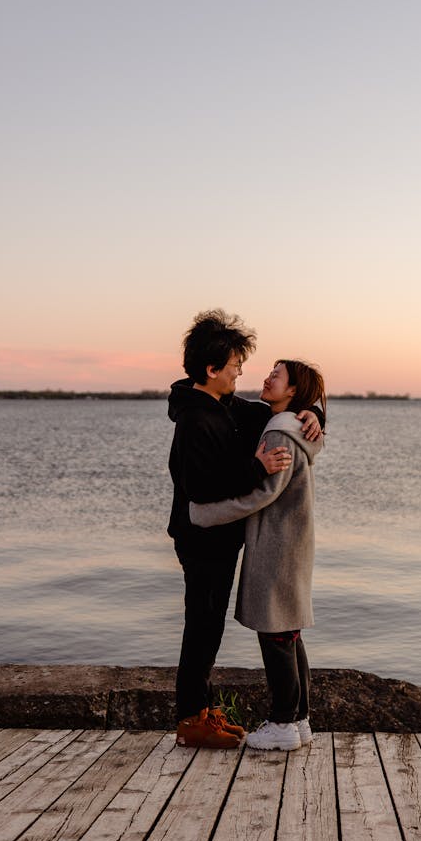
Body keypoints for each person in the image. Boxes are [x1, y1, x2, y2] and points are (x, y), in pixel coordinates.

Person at [167, 311, 322, 749]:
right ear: (211, 369)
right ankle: (191, 718)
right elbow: (200, 487)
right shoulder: (195, 420)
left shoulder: (229, 407)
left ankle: (205, 710)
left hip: (225, 536)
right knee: (201, 625)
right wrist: (255, 467)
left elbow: (281, 416)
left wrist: (312, 412)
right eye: (234, 364)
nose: (241, 370)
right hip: (200, 538)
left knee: (212, 624)